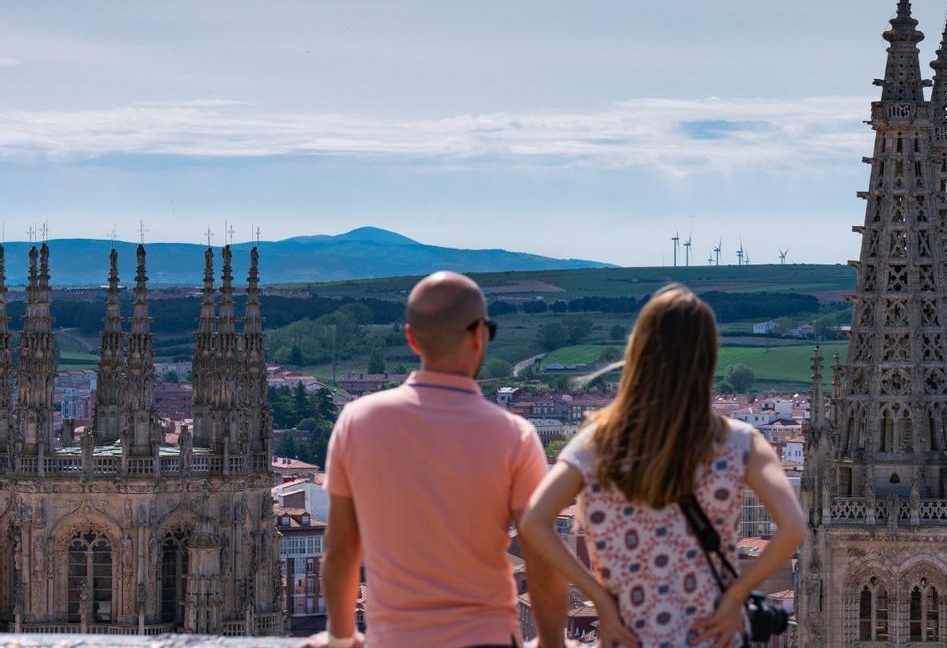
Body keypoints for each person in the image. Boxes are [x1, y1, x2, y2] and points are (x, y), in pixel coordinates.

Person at [520, 286, 806, 648]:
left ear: (639, 353)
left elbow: (534, 521)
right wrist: (735, 597)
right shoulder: (740, 442)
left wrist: (600, 598)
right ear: (706, 358)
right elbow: (793, 527)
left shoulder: (598, 443)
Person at [308, 271, 567, 648]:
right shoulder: (515, 436)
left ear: (411, 338)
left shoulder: (357, 422)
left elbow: (342, 550)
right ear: (480, 335)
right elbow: (542, 562)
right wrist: (551, 643)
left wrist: (342, 638)